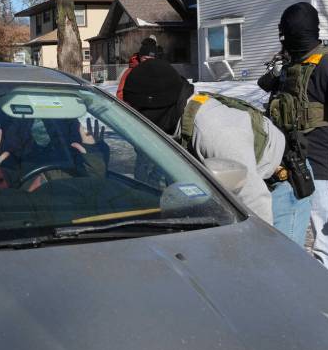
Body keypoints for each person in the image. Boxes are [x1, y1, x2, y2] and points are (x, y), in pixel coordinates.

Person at [118, 57, 288, 228]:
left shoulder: (214, 131)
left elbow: (254, 197)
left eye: (138, 112)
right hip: (227, 195)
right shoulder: (172, 122)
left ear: (155, 108)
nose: (137, 120)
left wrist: (263, 248)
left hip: (273, 188)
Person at [266, 2, 328, 275]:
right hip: (294, 165)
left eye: (285, 32)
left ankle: (327, 298)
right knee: (285, 234)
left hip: (325, 169)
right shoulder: (295, 64)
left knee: (325, 239)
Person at [0, 118, 107, 192]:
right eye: (15, 129)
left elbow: (94, 188)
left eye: (25, 128)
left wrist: (93, 153)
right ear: (2, 136)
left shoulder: (55, 163)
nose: (22, 134)